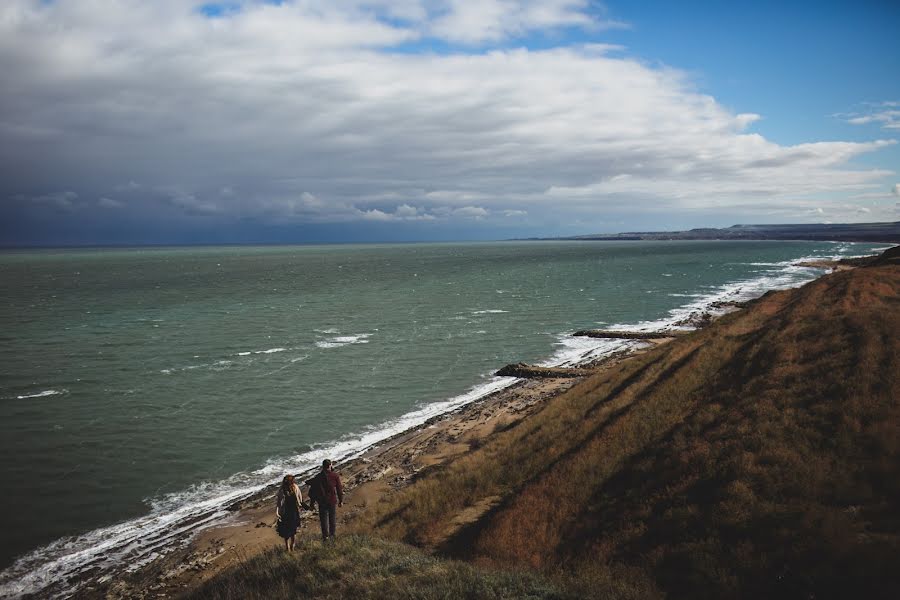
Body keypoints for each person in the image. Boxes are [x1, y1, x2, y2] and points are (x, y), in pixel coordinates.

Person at [306, 459, 343, 542]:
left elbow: (313, 491)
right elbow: (339, 489)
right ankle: (332, 536)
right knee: (332, 519)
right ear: (330, 465)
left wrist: (312, 504)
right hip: (332, 500)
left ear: (322, 466)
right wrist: (341, 500)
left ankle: (325, 537)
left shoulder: (318, 477)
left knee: (323, 520)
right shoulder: (335, 476)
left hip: (322, 501)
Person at [275, 474, 304, 551]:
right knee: (291, 530)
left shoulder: (287, 489)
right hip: (290, 512)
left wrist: (278, 512)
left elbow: (279, 503)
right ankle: (290, 546)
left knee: (289, 530)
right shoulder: (288, 489)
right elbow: (300, 498)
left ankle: (289, 546)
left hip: (289, 512)